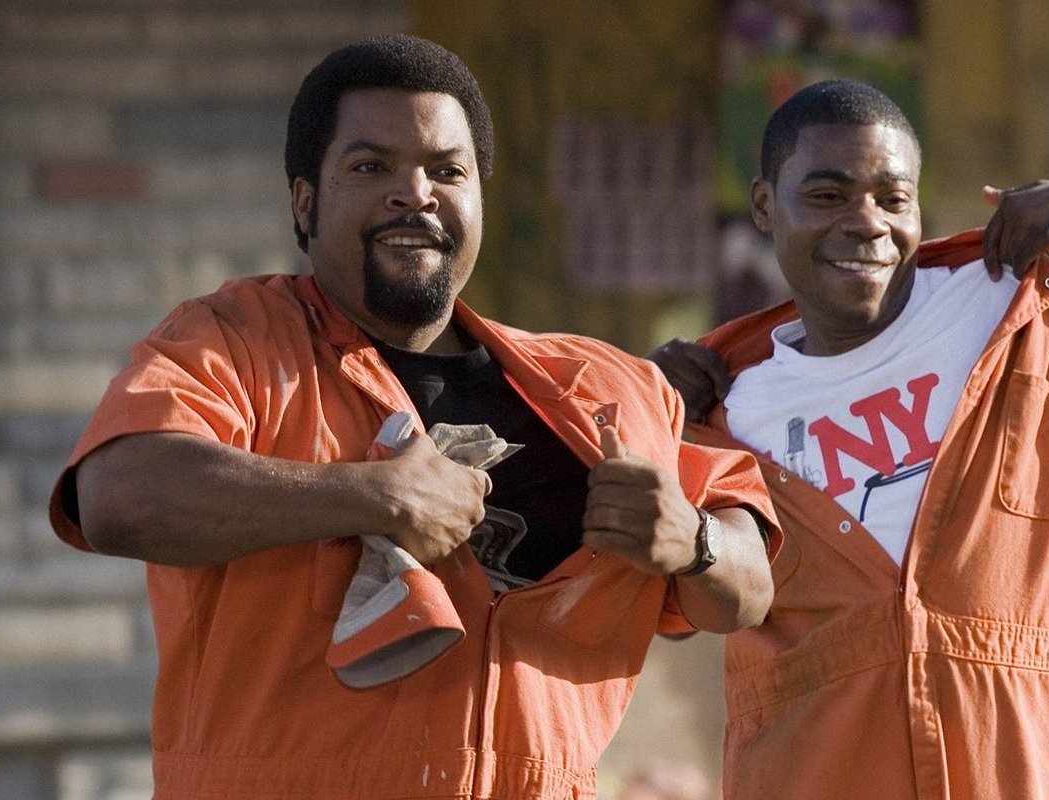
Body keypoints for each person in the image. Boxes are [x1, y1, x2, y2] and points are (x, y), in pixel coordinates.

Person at [48, 35, 776, 799]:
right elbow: (119, 496)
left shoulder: (609, 388)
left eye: (446, 170)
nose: (415, 193)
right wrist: (374, 498)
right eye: (372, 168)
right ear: (306, 203)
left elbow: (749, 581)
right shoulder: (234, 342)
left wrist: (691, 540)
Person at [649, 79, 1049, 798]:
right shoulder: (727, 405)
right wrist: (652, 419)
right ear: (765, 206)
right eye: (828, 196)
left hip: (1024, 767)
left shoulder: (1037, 306)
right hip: (815, 771)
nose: (866, 222)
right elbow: (677, 614)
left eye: (893, 198)